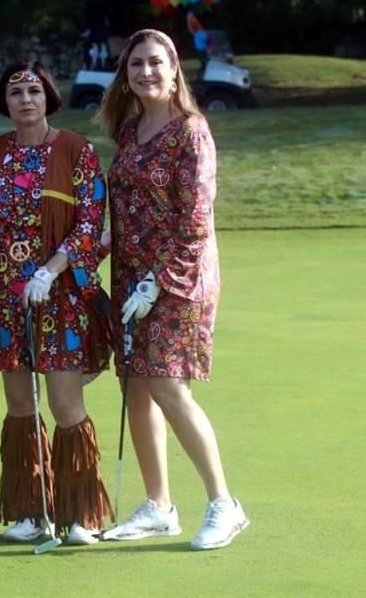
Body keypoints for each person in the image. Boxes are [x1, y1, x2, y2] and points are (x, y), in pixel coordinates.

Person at [98, 29, 249, 550]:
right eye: (136, 64)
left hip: (180, 278)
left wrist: (158, 282)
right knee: (135, 386)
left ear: (174, 69)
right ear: (126, 75)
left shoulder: (191, 132)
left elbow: (196, 221)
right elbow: (120, 210)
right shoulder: (130, 130)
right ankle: (159, 505)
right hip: (130, 275)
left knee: (165, 383)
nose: (146, 72)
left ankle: (223, 504)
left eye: (156, 63)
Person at [0, 61, 112, 546]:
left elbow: (90, 223)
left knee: (63, 402)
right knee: (19, 404)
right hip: (3, 298)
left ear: (48, 96)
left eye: (34, 91)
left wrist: (50, 270)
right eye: (16, 94)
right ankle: (31, 510)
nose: (25, 100)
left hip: (60, 295)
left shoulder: (76, 150)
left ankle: (81, 513)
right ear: (5, 103)